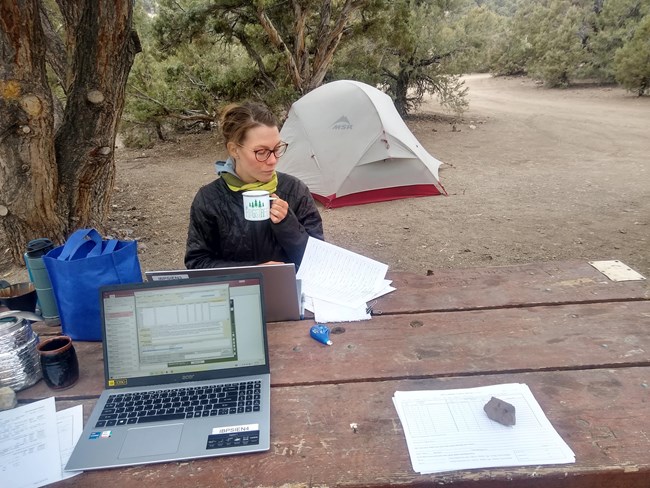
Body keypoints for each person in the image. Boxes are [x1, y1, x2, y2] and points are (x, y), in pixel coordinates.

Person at [185, 101, 324, 269]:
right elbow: (197, 262)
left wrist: (288, 225)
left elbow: (318, 259)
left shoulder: (295, 191)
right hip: (237, 293)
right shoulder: (209, 200)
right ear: (234, 150)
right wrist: (253, 271)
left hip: (288, 290)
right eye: (261, 152)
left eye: (277, 149)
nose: (273, 161)